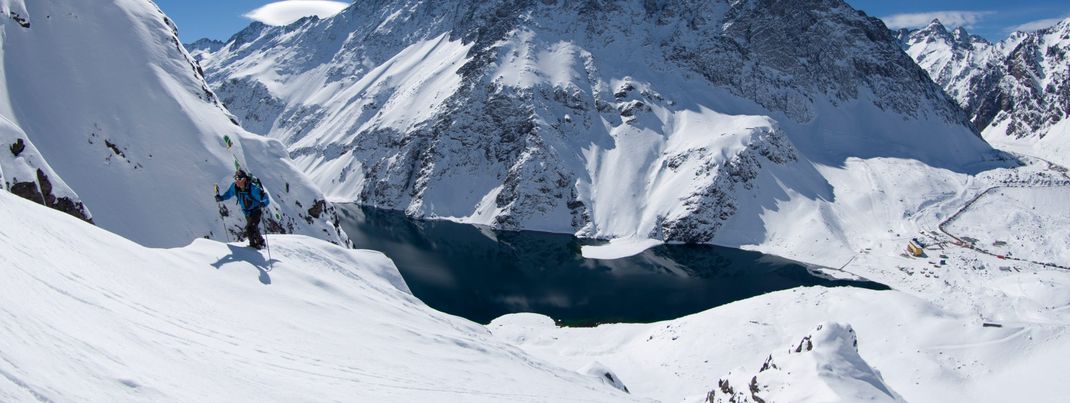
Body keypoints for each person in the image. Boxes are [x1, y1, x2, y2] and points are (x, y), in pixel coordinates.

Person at [215, 169, 270, 249]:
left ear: (244, 179)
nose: (237, 181)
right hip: (246, 212)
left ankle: (253, 247)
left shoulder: (253, 188)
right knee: (253, 227)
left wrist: (263, 203)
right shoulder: (235, 187)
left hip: (256, 210)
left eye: (239, 179)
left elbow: (265, 197)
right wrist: (221, 198)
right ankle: (261, 242)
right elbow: (229, 194)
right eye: (236, 179)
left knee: (250, 228)